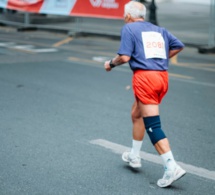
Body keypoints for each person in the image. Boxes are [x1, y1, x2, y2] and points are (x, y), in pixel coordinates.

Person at [104, 1, 186, 188]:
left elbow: (124, 57)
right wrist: (160, 59)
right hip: (161, 77)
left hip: (145, 79)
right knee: (137, 114)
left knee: (153, 125)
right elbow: (179, 45)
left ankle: (171, 166)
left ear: (128, 15)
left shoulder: (129, 28)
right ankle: (134, 155)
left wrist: (110, 63)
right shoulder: (158, 29)